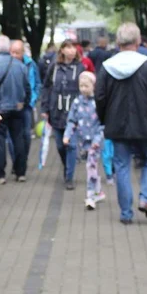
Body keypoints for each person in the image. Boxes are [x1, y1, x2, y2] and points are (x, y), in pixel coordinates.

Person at [96, 22, 147, 225]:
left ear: (117, 42)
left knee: (121, 166)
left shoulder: (107, 67)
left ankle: (126, 213)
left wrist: (104, 120)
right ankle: (146, 198)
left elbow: (100, 97)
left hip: (117, 125)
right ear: (138, 41)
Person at [0, 35, 30, 183]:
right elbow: (27, 88)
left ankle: (0, 175)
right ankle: (20, 173)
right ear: (9, 48)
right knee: (18, 139)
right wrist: (24, 103)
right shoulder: (20, 65)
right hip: (17, 108)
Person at [42, 40, 85, 190]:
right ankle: (67, 165)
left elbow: (85, 88)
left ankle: (69, 177)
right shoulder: (54, 67)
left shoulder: (80, 68)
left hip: (73, 111)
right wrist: (45, 107)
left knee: (71, 145)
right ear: (62, 50)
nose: (71, 50)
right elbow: (47, 86)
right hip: (56, 110)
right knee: (60, 146)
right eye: (68, 47)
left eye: (74, 47)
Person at [63, 72, 106, 210]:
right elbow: (72, 120)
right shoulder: (77, 102)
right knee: (92, 166)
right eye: (81, 86)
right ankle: (99, 191)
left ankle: (90, 196)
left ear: (93, 86)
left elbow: (103, 123)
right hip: (84, 140)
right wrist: (67, 135)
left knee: (90, 166)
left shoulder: (99, 102)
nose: (83, 89)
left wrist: (98, 139)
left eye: (86, 86)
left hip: (96, 140)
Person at [10, 40, 39, 166]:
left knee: (26, 134)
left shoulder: (31, 64)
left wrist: (32, 100)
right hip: (11, 105)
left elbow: (37, 83)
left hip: (27, 105)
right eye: (12, 52)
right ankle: (16, 162)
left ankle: (23, 159)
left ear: (23, 52)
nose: (15, 55)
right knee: (11, 137)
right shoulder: (8, 64)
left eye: (17, 52)